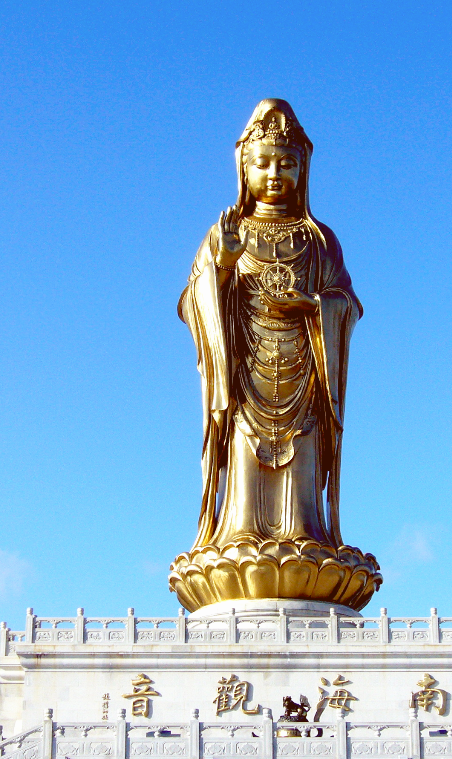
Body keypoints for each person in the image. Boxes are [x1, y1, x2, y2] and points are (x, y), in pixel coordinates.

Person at [179, 99, 362, 556]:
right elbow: (193, 302)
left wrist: (314, 305)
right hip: (245, 376)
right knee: (244, 451)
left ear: (303, 170)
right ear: (244, 169)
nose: (275, 174)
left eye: (287, 164)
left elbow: (348, 303)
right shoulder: (226, 232)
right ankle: (239, 532)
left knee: (302, 458)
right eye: (262, 164)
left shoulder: (319, 240)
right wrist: (223, 264)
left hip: (305, 374)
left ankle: (304, 533)